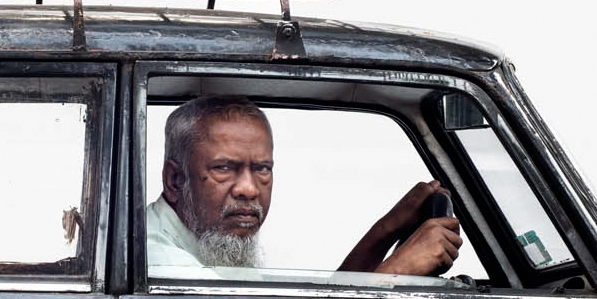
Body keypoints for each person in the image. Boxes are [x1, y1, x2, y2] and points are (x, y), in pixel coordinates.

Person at [146, 96, 463, 276]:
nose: (249, 189)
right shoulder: (159, 259)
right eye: (223, 169)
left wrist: (385, 231)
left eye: (262, 169)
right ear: (175, 180)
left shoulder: (206, 240)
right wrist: (398, 271)